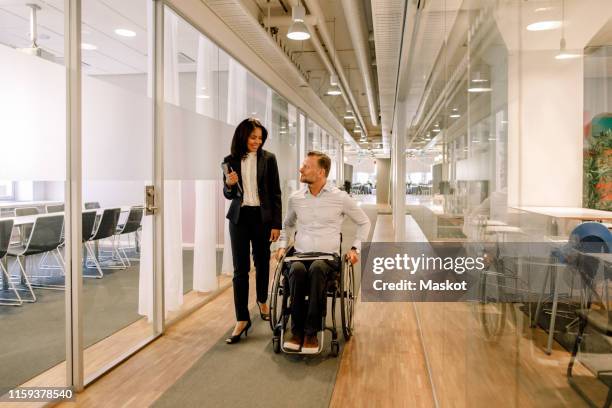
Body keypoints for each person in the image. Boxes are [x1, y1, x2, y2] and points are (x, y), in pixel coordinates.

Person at [275, 151, 371, 353]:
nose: (301, 169)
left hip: (327, 259)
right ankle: (296, 331)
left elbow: (364, 222)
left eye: (306, 166)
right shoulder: (296, 198)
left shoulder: (340, 198)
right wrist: (282, 246)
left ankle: (311, 333)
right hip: (300, 255)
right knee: (298, 270)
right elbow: (287, 225)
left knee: (317, 269)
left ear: (321, 172)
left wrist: (355, 248)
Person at [223, 118, 282, 344]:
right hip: (239, 218)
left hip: (262, 218)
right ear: (243, 136)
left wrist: (276, 224)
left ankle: (262, 300)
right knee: (240, 269)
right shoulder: (229, 161)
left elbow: (276, 193)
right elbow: (228, 194)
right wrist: (229, 184)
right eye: (253, 137)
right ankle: (241, 319)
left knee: (262, 262)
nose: (257, 141)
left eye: (260, 138)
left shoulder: (269, 159)